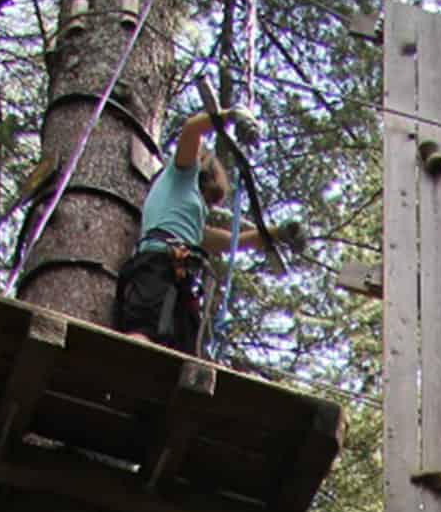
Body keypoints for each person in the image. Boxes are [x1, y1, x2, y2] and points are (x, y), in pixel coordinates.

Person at [115, 107, 301, 355]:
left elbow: (229, 241)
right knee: (145, 330)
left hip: (178, 273)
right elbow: (192, 128)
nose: (208, 206)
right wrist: (233, 115)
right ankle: (124, 359)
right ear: (206, 173)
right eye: (210, 198)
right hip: (157, 265)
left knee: (182, 349)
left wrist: (278, 232)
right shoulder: (181, 176)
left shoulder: (191, 222)